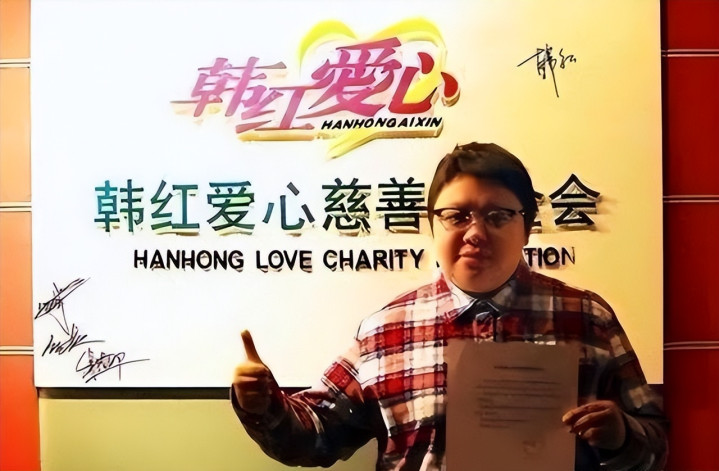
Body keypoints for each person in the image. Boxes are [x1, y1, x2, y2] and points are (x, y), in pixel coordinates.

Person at [231, 142, 667, 471]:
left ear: (528, 226)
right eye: (457, 216)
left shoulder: (587, 317)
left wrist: (622, 436)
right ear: (433, 226)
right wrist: (264, 405)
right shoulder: (386, 330)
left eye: (497, 216)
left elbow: (657, 445)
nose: (475, 233)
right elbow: (317, 435)